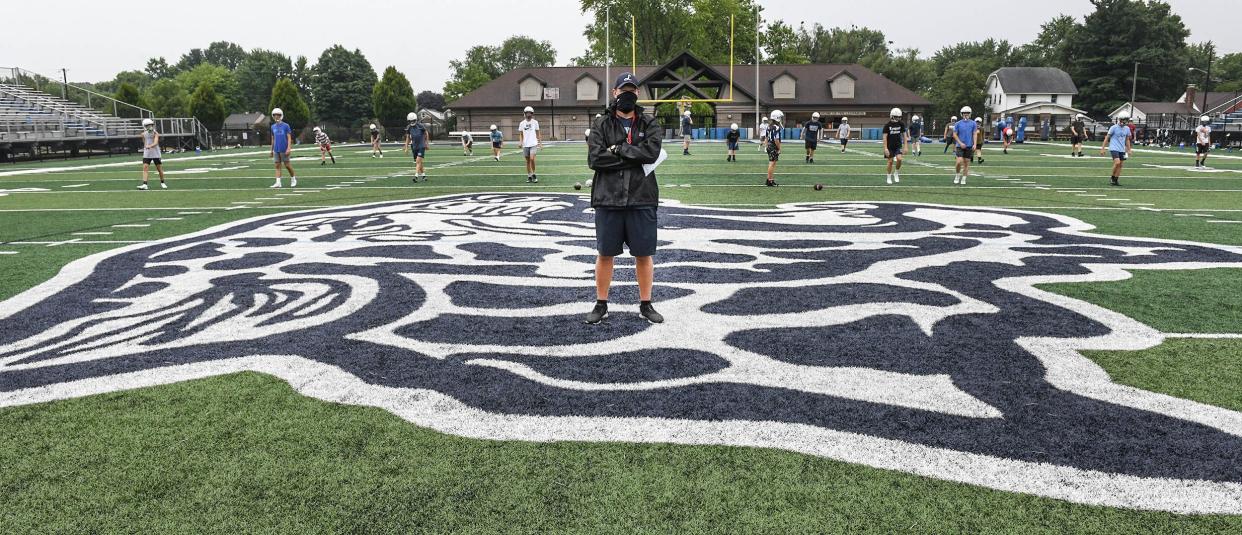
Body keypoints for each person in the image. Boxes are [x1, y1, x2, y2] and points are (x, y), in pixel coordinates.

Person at [584, 71, 664, 325]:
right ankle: (601, 303)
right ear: (614, 93)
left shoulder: (649, 122)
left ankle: (646, 304)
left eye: (632, 90)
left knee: (643, 254)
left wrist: (618, 149)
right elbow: (595, 159)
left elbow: (651, 153)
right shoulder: (601, 124)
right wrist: (634, 155)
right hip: (608, 197)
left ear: (637, 93)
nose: (627, 94)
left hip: (642, 196)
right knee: (605, 253)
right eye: (623, 90)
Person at [1100, 111, 1133, 186]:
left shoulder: (1127, 128)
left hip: (1122, 149)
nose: (1126, 121)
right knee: (1117, 162)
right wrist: (1103, 148)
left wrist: (1129, 149)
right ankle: (1112, 177)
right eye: (1124, 119)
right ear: (1120, 119)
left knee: (1120, 165)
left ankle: (1116, 180)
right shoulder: (1113, 127)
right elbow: (1107, 138)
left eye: (1126, 119)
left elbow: (1127, 139)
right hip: (1114, 148)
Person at [270, 107, 297, 189]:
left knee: (287, 165)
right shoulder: (273, 127)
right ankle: (278, 183)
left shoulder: (286, 126)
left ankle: (293, 179)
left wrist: (289, 148)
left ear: (281, 115)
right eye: (274, 115)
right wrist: (271, 150)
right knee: (277, 166)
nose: (276, 117)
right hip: (276, 149)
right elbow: (273, 139)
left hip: (284, 149)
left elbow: (289, 138)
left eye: (278, 115)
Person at [137, 118, 166, 190]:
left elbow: (155, 143)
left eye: (151, 125)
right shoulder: (143, 134)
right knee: (145, 168)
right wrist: (146, 147)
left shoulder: (156, 133)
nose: (150, 127)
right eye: (148, 125)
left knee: (159, 169)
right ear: (144, 126)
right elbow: (145, 142)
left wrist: (149, 146)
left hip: (155, 153)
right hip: (147, 154)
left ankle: (162, 183)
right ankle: (145, 184)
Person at [953, 106, 977, 185]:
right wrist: (960, 143)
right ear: (961, 114)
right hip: (960, 146)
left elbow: (974, 134)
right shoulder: (958, 123)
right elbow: (955, 135)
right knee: (959, 162)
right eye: (964, 113)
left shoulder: (973, 123)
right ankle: (957, 175)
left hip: (969, 146)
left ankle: (964, 178)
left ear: (970, 114)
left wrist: (975, 144)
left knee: (966, 163)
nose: (965, 115)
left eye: (967, 113)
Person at [883, 107, 908, 185]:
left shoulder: (901, 124)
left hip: (898, 145)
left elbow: (904, 135)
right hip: (890, 146)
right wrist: (885, 148)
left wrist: (906, 146)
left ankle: (896, 172)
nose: (898, 118)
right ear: (892, 116)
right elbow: (884, 138)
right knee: (890, 162)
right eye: (897, 117)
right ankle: (889, 176)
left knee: (899, 159)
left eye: (899, 117)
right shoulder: (887, 125)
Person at [404, 111, 429, 182]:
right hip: (414, 146)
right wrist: (406, 147)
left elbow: (426, 133)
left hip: (421, 145)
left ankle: (416, 176)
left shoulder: (420, 126)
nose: (412, 122)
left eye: (413, 121)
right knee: (419, 162)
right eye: (410, 121)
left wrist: (426, 143)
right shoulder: (409, 128)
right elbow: (408, 137)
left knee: (418, 161)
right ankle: (424, 175)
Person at [519, 106, 541, 183]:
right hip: (525, 144)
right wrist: (520, 142)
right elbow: (521, 134)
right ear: (525, 113)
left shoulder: (535, 122)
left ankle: (534, 174)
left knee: (532, 159)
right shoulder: (522, 123)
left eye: (530, 113)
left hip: (533, 143)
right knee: (528, 161)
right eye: (527, 112)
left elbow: (538, 133)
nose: (528, 114)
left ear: (532, 114)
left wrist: (540, 143)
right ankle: (529, 176)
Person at [765, 110, 783, 187]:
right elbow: (776, 139)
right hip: (773, 146)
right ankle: (769, 180)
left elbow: (766, 137)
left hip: (769, 145)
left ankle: (770, 179)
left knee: (772, 163)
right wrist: (779, 148)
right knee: (772, 164)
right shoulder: (776, 127)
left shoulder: (769, 126)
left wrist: (766, 146)